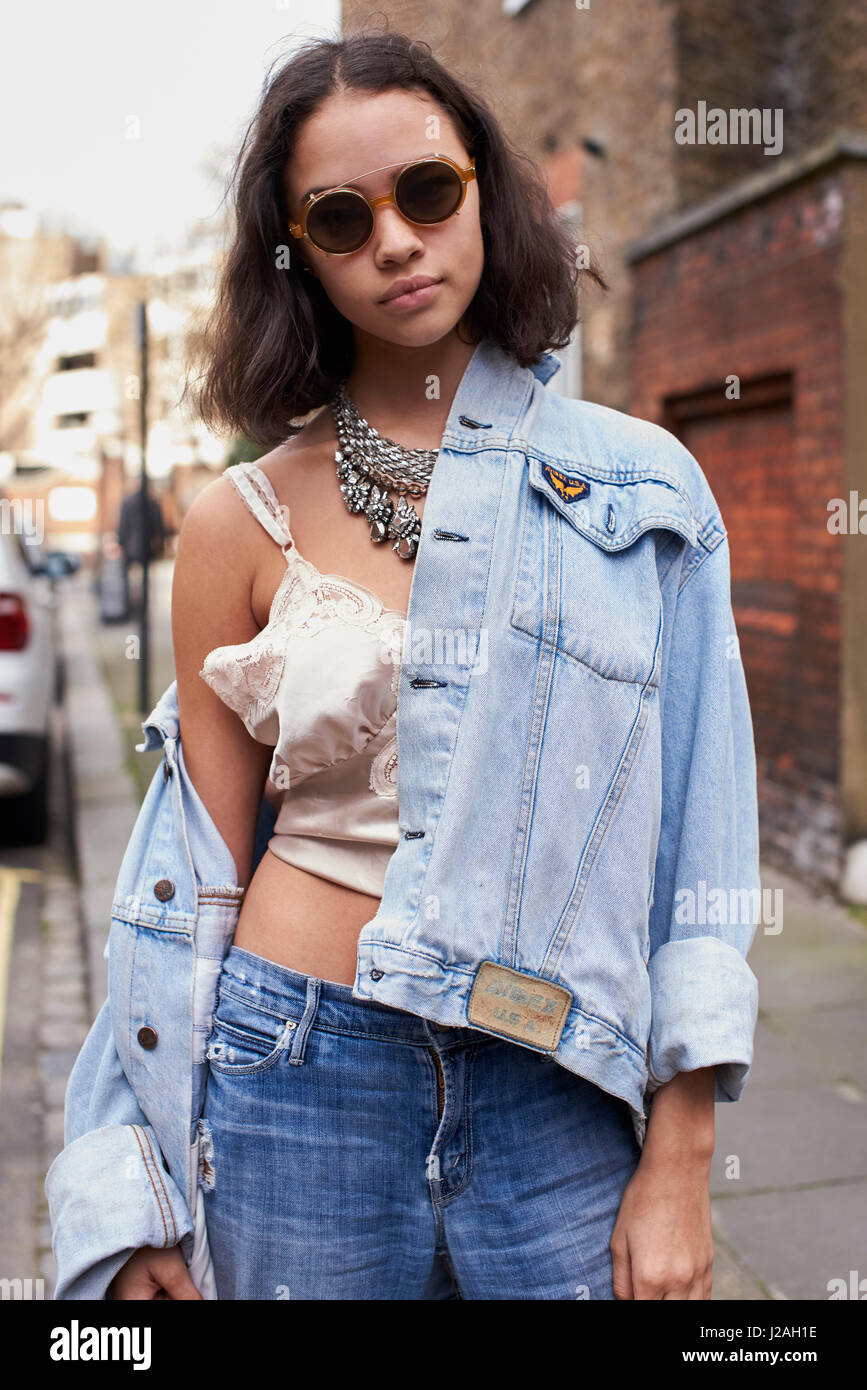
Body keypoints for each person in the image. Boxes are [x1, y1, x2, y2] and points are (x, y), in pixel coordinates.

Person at [107, 29, 760, 1300]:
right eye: (341, 218)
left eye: (427, 191)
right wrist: (140, 1191)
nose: (396, 240)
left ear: (485, 192)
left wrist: (682, 1151)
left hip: (554, 1081)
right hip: (291, 1071)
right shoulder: (236, 523)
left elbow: (703, 844)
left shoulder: (646, 487)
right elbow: (187, 880)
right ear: (295, 253)